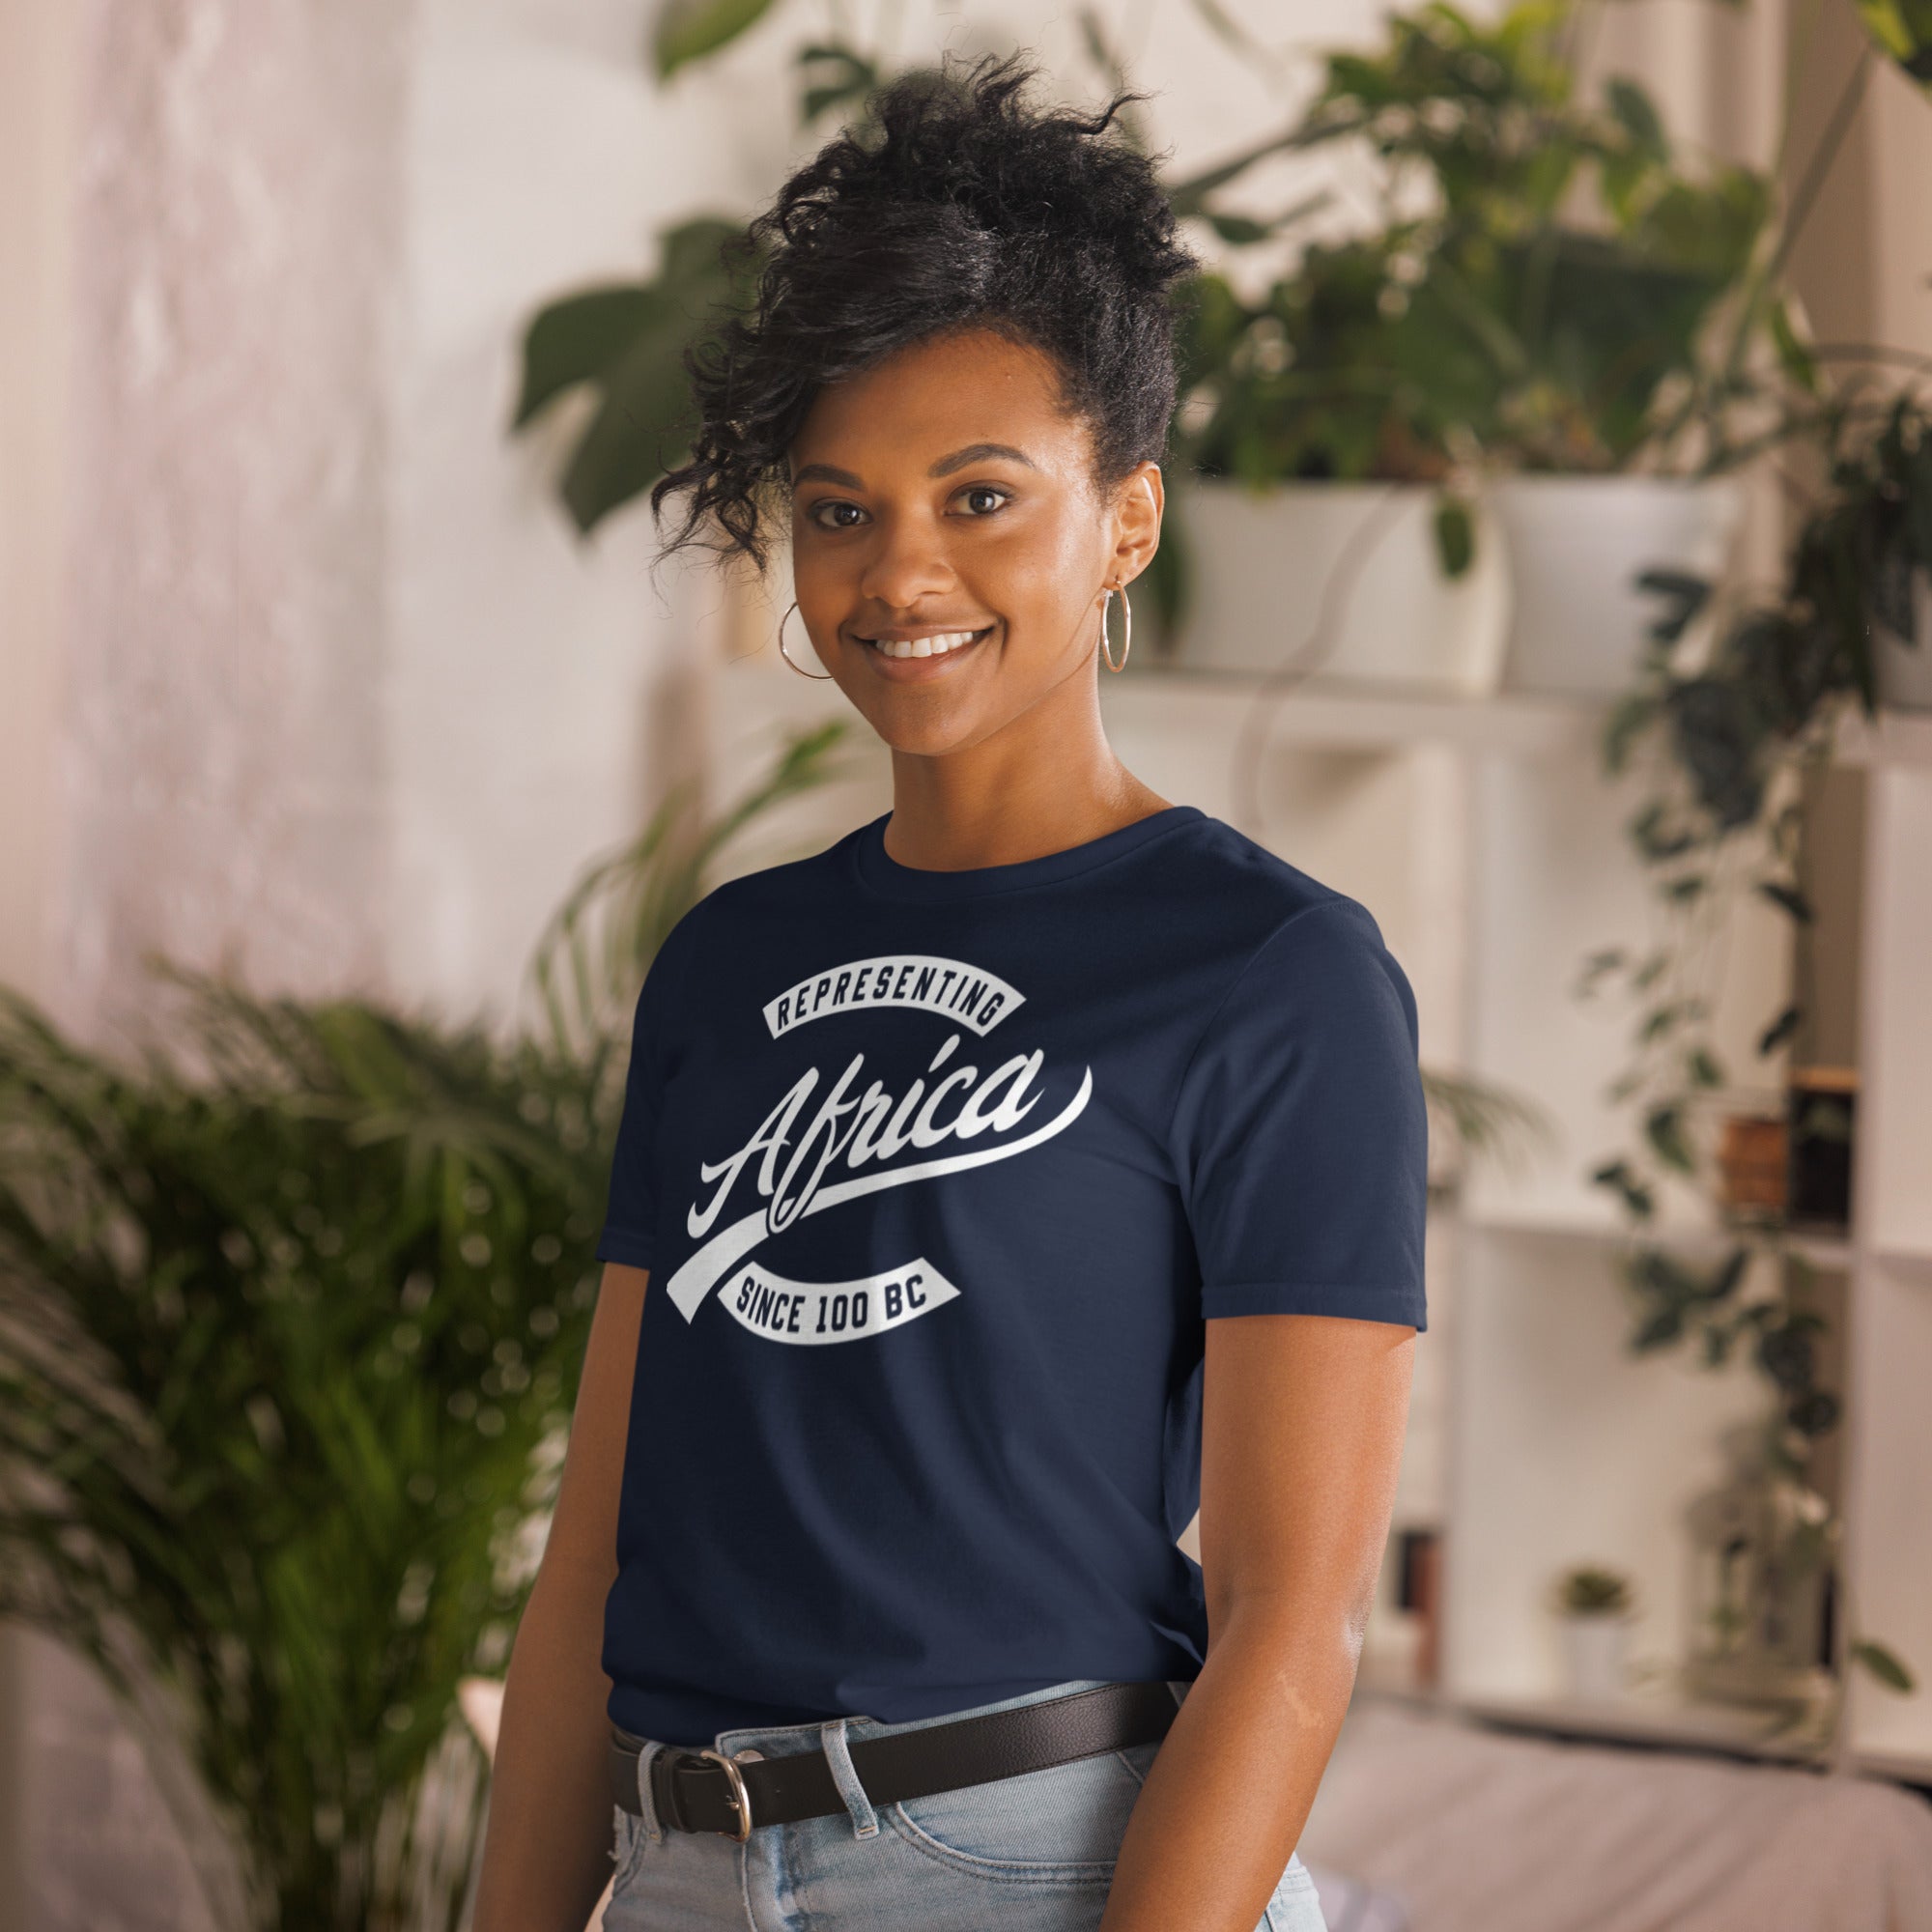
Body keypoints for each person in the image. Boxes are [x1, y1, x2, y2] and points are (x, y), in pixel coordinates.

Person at [471, 50, 1425, 1932]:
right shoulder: (729, 963)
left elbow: (1291, 1619)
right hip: (678, 1868)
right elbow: (598, 1551)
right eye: (838, 509)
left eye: (980, 495)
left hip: (1034, 1864)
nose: (898, 570)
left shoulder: (1269, 972)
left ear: (1124, 519)